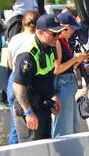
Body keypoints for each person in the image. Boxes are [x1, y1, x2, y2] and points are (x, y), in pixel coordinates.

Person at [11, 13, 64, 142]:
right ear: (40, 32)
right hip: (29, 108)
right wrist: (28, 112)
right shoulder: (27, 54)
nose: (57, 37)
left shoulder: (49, 47)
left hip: (43, 107)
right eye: (54, 34)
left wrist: (53, 96)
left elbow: (46, 76)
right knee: (32, 151)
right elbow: (18, 85)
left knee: (45, 148)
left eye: (59, 33)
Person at [52, 12, 89, 137]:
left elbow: (69, 67)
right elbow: (57, 69)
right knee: (64, 127)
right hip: (62, 85)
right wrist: (75, 59)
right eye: (72, 28)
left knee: (74, 126)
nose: (74, 31)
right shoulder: (58, 42)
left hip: (69, 84)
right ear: (64, 28)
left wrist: (79, 60)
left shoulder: (66, 41)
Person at [2, 10, 38, 143]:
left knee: (14, 125)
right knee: (27, 127)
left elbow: (10, 63)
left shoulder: (15, 39)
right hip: (26, 82)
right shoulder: (36, 39)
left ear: (23, 23)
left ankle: (12, 151)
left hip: (13, 79)